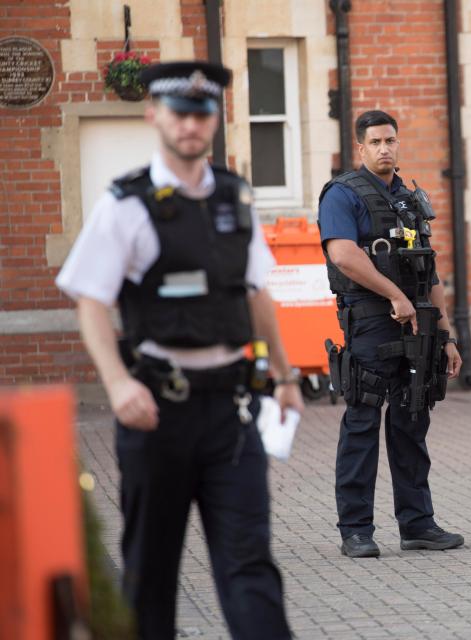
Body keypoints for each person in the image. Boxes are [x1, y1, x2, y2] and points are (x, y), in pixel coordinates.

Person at [56, 61, 301, 639]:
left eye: (202, 113)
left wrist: (285, 375)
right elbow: (90, 302)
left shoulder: (237, 199)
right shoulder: (126, 204)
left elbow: (257, 294)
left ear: (215, 119)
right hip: (156, 413)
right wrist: (117, 383)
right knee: (151, 570)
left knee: (250, 565)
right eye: (179, 113)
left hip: (229, 412)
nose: (191, 124)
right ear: (154, 116)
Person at [318, 110, 464, 559]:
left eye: (391, 141)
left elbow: (430, 269)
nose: (385, 148)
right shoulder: (343, 194)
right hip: (370, 322)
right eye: (376, 142)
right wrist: (393, 295)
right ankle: (356, 530)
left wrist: (448, 333)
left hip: (419, 325)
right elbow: (343, 254)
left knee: (411, 422)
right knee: (362, 423)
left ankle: (417, 524)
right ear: (360, 147)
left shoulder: (409, 197)